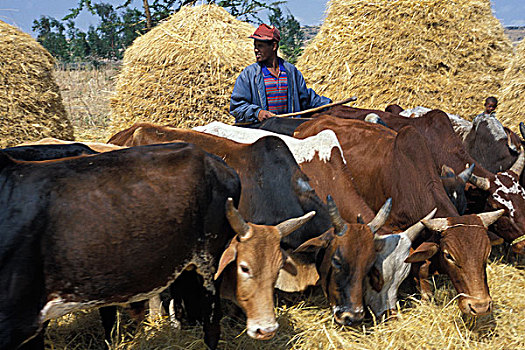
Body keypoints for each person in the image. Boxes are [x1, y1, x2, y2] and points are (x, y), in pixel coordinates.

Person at [230, 24, 331, 126]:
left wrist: (330, 105)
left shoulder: (291, 72)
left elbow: (306, 98)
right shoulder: (249, 74)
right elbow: (236, 107)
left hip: (288, 130)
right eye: (255, 46)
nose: (256, 50)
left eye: (260, 46)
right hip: (260, 133)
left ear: (274, 46)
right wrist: (258, 113)